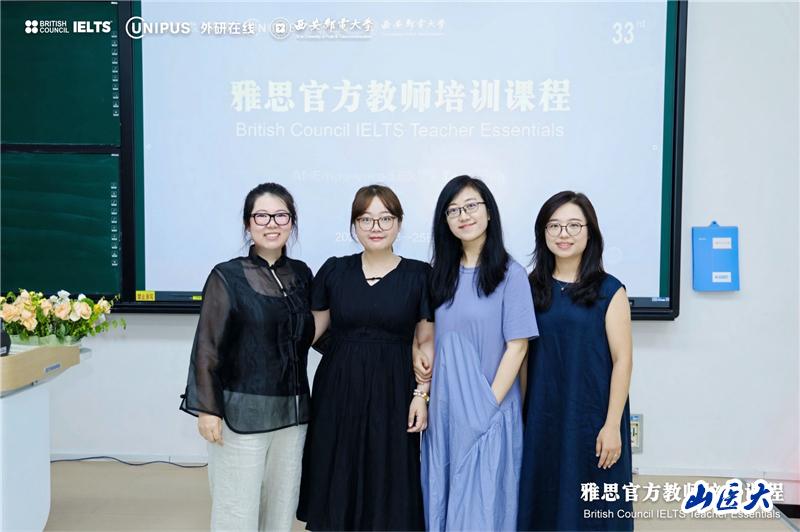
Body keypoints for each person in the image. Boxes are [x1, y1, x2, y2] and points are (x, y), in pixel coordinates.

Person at [297, 184, 434, 531]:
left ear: (399, 223)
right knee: (336, 466)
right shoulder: (334, 270)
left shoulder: (420, 275)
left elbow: (426, 342)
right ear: (354, 225)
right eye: (366, 219)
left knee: (389, 472)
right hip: (337, 388)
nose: (376, 227)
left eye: (385, 218)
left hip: (394, 390)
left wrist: (421, 395)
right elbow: (312, 331)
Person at [179, 182, 315, 531]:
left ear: (292, 222)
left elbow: (315, 332)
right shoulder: (227, 275)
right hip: (242, 414)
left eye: (281, 215)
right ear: (247, 224)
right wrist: (208, 409)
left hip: (293, 415)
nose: (272, 224)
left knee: (281, 508)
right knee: (236, 509)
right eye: (262, 216)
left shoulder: (302, 274)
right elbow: (207, 347)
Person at [417, 175, 538, 531]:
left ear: (489, 212)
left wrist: (485, 407)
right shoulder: (439, 275)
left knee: (483, 511)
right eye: (453, 210)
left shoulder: (511, 275)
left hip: (489, 411)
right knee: (443, 502)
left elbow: (518, 347)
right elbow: (428, 338)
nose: (463, 215)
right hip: (444, 413)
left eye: (471, 206)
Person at [517, 191, 634, 531]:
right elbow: (521, 359)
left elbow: (623, 360)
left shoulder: (610, 291)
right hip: (543, 419)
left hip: (592, 420)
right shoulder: (529, 288)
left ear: (590, 232)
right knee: (543, 506)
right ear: (543, 233)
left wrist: (612, 426)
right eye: (554, 226)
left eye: (573, 225)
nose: (563, 234)